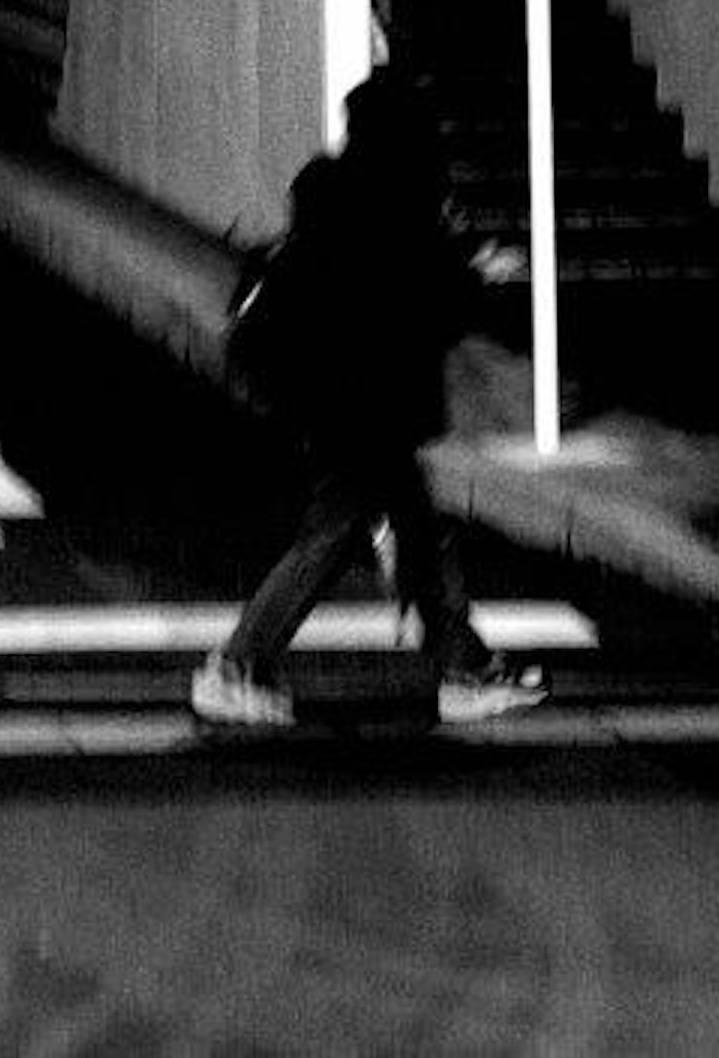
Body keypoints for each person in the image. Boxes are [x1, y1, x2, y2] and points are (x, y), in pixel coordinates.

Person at [192, 69, 547, 728]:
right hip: (366, 405)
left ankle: (461, 666)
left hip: (334, 400)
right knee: (366, 536)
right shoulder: (398, 202)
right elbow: (423, 303)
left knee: (379, 533)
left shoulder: (337, 191)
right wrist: (479, 275)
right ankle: (239, 666)